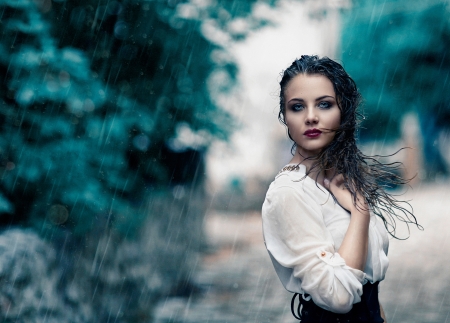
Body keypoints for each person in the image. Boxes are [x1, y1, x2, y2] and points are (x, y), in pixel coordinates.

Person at [261, 55, 419, 323]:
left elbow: (369, 282)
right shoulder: (288, 193)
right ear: (285, 117)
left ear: (342, 111)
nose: (311, 117)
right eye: (297, 107)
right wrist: (360, 214)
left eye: (324, 104)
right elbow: (339, 297)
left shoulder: (340, 180)